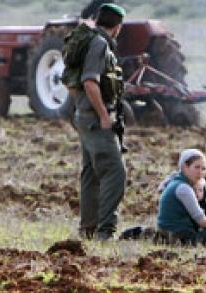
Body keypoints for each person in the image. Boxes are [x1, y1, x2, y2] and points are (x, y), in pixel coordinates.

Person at [69, 3, 127, 241]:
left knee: (91, 173)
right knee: (115, 171)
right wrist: (103, 115)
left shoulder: (87, 42)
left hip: (85, 117)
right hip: (95, 120)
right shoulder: (99, 44)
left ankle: (88, 229)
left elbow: (70, 82)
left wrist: (81, 108)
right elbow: (89, 82)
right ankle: (105, 230)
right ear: (118, 27)